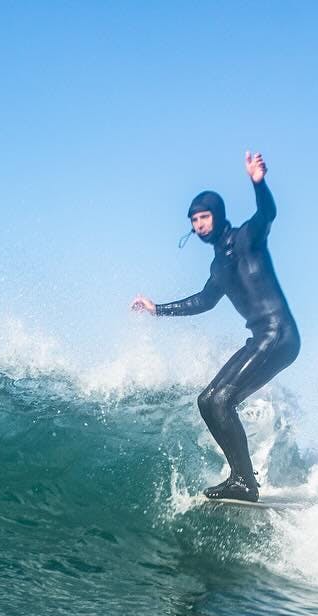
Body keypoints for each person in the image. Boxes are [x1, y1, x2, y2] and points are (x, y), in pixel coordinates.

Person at [131, 151, 300, 503]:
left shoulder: (247, 238)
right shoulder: (218, 267)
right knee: (208, 401)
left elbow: (267, 213)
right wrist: (156, 309)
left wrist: (258, 182)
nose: (199, 225)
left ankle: (244, 481)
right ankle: (241, 477)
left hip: (279, 334)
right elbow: (204, 301)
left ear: (218, 215)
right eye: (194, 220)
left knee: (222, 400)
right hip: (261, 338)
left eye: (204, 217)